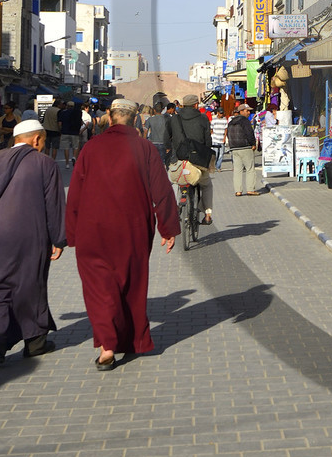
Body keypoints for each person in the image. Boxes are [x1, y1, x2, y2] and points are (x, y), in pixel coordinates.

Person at [64, 99, 179, 371]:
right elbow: (161, 190)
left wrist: (70, 233)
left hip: (93, 230)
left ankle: (107, 347)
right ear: (135, 118)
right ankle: (130, 340)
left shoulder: (91, 147)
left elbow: (75, 193)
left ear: (110, 117)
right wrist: (168, 227)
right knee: (131, 285)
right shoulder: (144, 148)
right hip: (133, 229)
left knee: (99, 288)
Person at [0, 118, 65, 369]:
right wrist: (59, 239)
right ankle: (35, 343)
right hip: (32, 237)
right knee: (31, 286)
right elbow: (54, 205)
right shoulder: (45, 163)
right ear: (37, 139)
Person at [168, 93, 215, 225]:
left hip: (181, 157)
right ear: (195, 105)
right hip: (198, 158)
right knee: (206, 185)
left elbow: (168, 136)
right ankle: (207, 215)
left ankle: (178, 205)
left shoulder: (175, 119)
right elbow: (208, 140)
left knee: (182, 181)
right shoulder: (203, 118)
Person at [226, 104, 257, 196]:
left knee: (237, 170)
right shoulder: (245, 121)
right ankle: (250, 189)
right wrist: (253, 144)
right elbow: (249, 133)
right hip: (245, 147)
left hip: (234, 148)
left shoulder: (231, 122)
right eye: (247, 111)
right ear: (241, 111)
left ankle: (238, 191)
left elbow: (228, 134)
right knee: (250, 169)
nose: (249, 113)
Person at [57, 99, 83, 166]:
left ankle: (67, 163)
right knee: (75, 146)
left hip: (65, 132)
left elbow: (60, 123)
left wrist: (60, 130)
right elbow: (81, 123)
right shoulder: (77, 113)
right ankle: (74, 157)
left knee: (66, 148)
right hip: (75, 132)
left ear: (67, 106)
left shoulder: (62, 113)